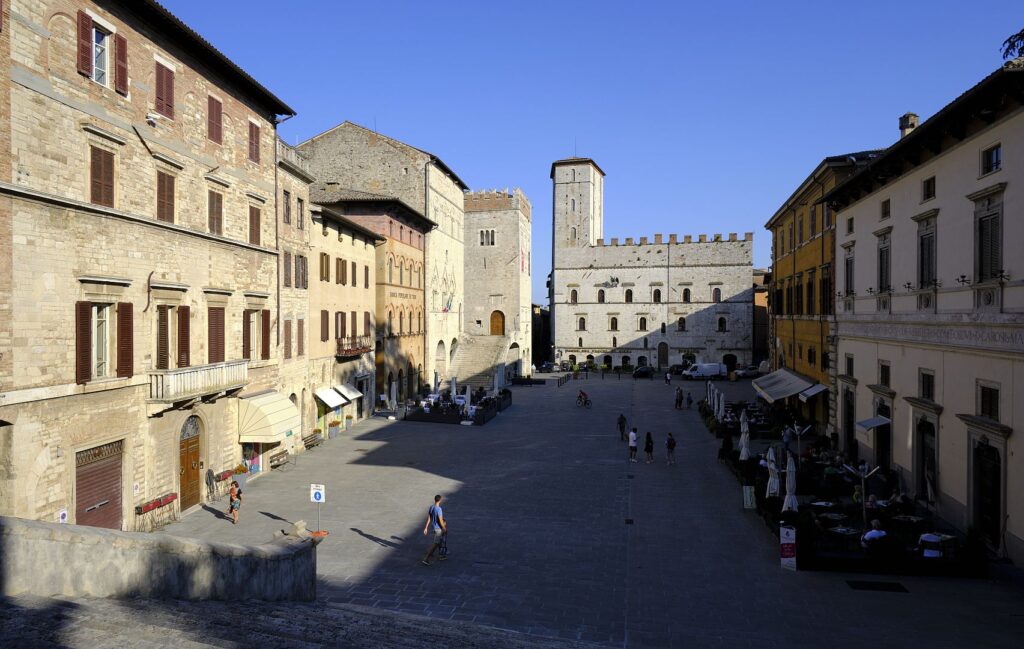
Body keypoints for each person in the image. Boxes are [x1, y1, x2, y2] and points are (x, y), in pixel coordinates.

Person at [421, 494, 447, 566]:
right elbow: (440, 520)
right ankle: (426, 558)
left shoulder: (431, 507)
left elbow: (429, 518)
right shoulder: (439, 509)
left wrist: (426, 527)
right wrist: (444, 528)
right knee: (435, 543)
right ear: (440, 500)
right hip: (438, 528)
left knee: (439, 542)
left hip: (434, 527)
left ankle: (441, 555)